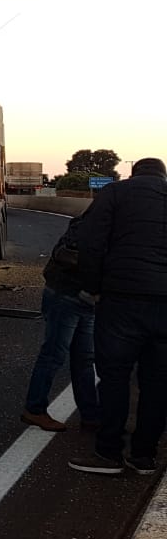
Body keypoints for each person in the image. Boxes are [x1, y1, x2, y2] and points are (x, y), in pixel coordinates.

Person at [69, 157, 167, 475]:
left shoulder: (115, 193)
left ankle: (109, 452)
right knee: (157, 382)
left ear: (133, 173)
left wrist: (92, 287)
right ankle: (144, 456)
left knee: (114, 377)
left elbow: (90, 241)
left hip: (121, 300)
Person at [21, 213, 99, 432]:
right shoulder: (92, 224)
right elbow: (65, 253)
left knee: (84, 358)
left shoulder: (113, 223)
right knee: (54, 354)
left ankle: (91, 415)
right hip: (67, 294)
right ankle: (34, 409)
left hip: (86, 299)